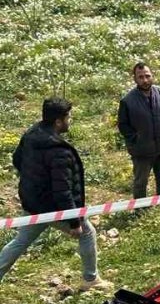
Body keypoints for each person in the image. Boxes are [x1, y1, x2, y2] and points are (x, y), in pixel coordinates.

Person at [0, 99, 109, 292]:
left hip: (33, 204)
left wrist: (34, 182)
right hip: (53, 209)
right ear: (58, 121)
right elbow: (63, 191)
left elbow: (17, 160)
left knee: (21, 241)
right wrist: (74, 221)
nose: (70, 120)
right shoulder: (59, 152)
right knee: (87, 233)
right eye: (68, 117)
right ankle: (90, 280)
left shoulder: (31, 134)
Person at [117, 62, 160, 199]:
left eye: (147, 76)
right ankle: (139, 208)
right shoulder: (127, 101)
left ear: (152, 76)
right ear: (135, 79)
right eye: (141, 77)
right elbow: (123, 125)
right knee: (140, 182)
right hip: (142, 150)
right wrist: (136, 139)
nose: (145, 80)